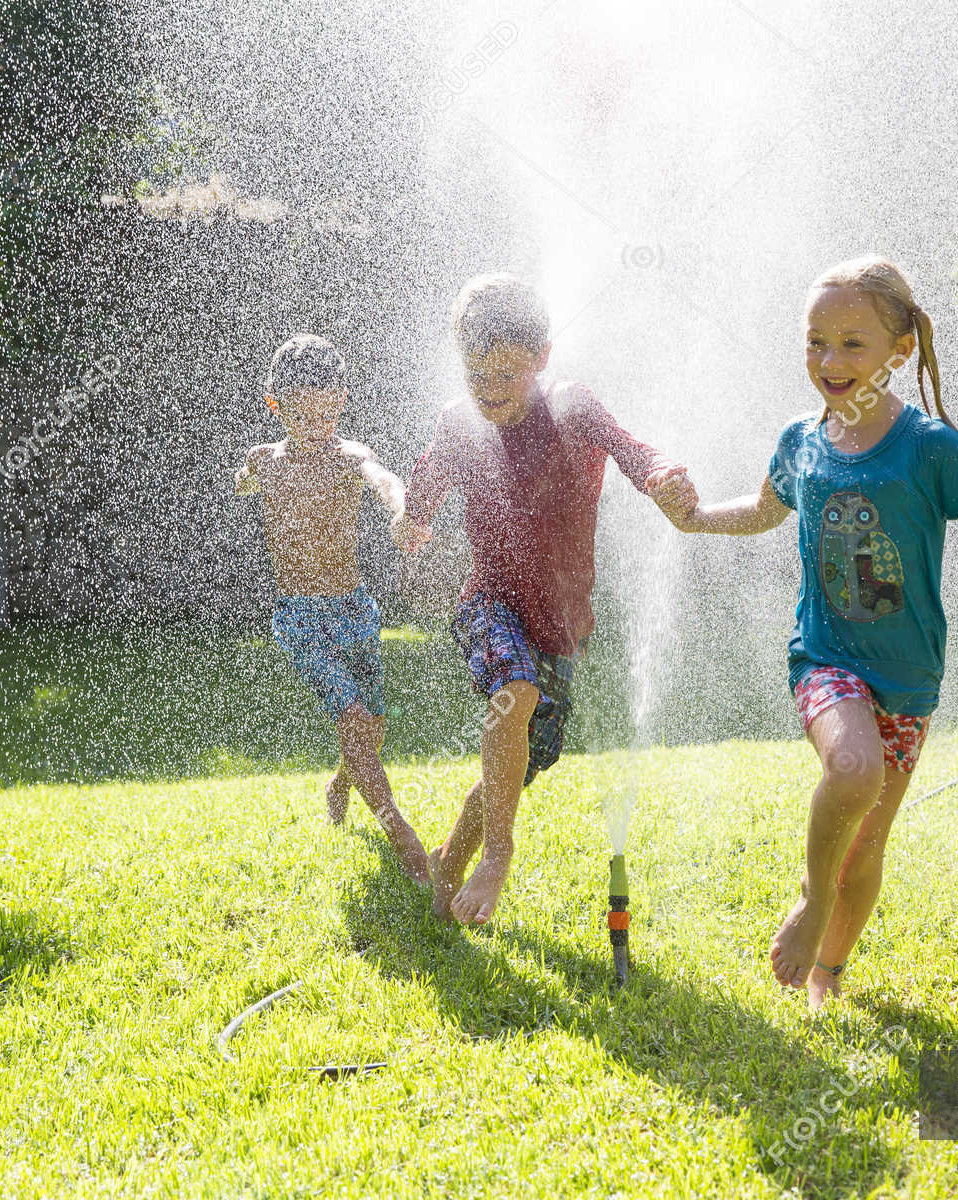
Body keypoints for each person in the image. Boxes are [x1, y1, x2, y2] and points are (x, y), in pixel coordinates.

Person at [665, 255, 958, 1007]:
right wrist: (693, 519)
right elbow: (762, 511)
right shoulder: (800, 441)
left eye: (852, 343)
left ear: (899, 351)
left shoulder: (932, 448)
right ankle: (813, 905)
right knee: (853, 771)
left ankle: (829, 974)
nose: (830, 361)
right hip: (824, 659)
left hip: (908, 675)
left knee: (868, 842)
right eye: (816, 342)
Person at [393, 273, 697, 925]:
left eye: (509, 371)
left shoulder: (570, 407)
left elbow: (632, 451)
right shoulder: (458, 424)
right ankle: (497, 857)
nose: (493, 388)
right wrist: (410, 518)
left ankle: (447, 869)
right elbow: (421, 494)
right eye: (478, 373)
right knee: (516, 692)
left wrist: (662, 473)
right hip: (489, 603)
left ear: (543, 357)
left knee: (519, 763)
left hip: (563, 627)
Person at [235, 333, 431, 888]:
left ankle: (341, 783)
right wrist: (246, 480)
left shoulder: (351, 457)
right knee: (351, 719)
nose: (314, 423)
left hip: (355, 609)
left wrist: (402, 514)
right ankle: (406, 843)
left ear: (341, 401)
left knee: (373, 728)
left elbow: (386, 481)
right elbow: (243, 481)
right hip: (299, 616)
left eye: (324, 411)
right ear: (275, 406)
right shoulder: (265, 462)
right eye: (299, 413)